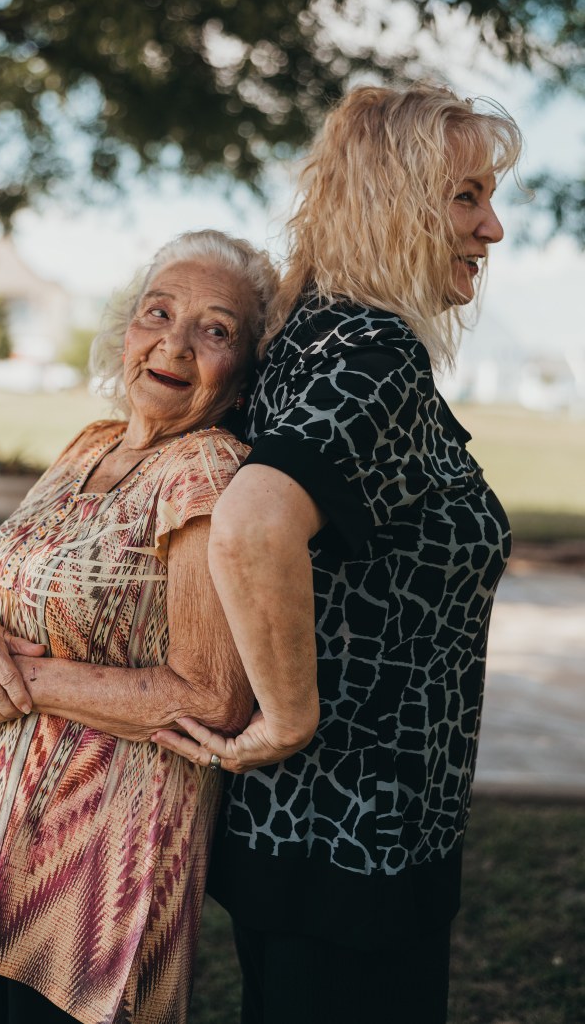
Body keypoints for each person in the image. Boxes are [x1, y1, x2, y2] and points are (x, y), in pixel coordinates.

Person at [152, 84, 524, 1024]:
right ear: (392, 201)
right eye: (467, 196)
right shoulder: (369, 351)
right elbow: (251, 525)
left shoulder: (308, 333)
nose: (493, 229)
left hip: (312, 837)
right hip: (362, 839)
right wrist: (284, 721)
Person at [0, 229, 277, 1024]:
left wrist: (12, 688)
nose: (175, 343)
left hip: (99, 870)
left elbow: (212, 697)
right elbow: (12, 587)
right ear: (127, 329)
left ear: (246, 365)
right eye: (158, 312)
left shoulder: (208, 473)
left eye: (215, 329)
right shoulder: (90, 444)